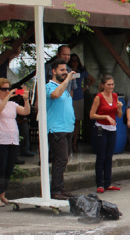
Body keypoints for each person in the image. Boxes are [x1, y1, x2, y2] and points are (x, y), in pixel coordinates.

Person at [0, 78, 31, 207]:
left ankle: (3, 193)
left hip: (12, 139)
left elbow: (26, 112)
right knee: (0, 168)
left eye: (8, 89)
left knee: (9, 168)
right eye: (4, 89)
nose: (7, 91)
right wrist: (8, 97)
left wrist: (26, 99)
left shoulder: (12, 105)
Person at [46, 59, 76, 200]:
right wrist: (67, 80)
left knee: (63, 160)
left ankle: (60, 188)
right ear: (54, 71)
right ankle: (56, 191)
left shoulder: (65, 88)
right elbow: (55, 95)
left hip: (67, 128)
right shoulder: (49, 86)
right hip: (56, 129)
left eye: (66, 70)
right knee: (60, 159)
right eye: (62, 70)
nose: (65, 73)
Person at [89, 75, 122, 193]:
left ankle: (108, 183)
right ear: (103, 85)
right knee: (101, 156)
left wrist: (119, 108)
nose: (111, 87)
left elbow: (119, 115)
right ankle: (100, 184)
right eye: (108, 84)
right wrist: (106, 116)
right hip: (101, 128)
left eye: (112, 84)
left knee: (109, 156)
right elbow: (92, 115)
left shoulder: (114, 96)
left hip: (112, 129)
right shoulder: (98, 97)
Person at [68, 53, 94, 152]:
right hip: (68, 98)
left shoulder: (82, 71)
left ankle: (75, 144)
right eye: (73, 60)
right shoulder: (66, 70)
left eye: (76, 60)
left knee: (77, 121)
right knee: (68, 120)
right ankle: (68, 144)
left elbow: (92, 80)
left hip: (78, 97)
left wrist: (85, 88)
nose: (74, 62)